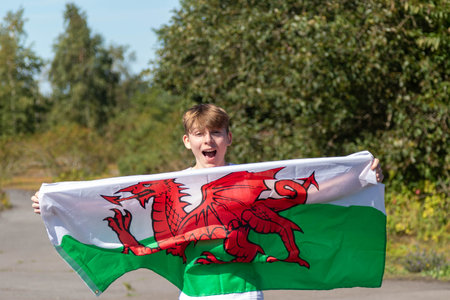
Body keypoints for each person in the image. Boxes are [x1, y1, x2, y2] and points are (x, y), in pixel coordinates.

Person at [31, 103, 384, 299]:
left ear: (228, 137)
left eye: (216, 132)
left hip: (241, 288)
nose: (208, 140)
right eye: (200, 134)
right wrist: (53, 204)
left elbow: (313, 191)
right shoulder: (172, 184)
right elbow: (105, 202)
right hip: (194, 290)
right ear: (188, 141)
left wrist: (361, 177)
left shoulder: (246, 180)